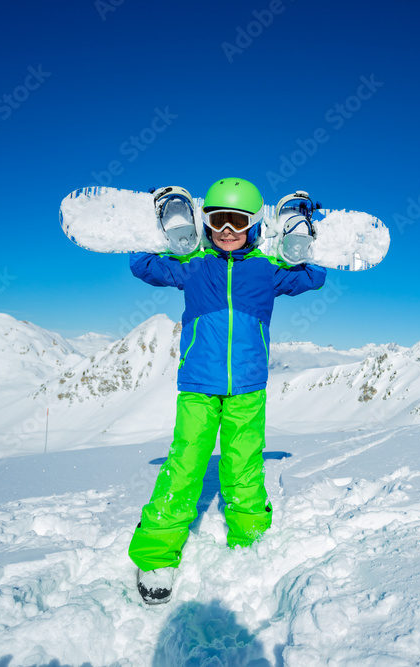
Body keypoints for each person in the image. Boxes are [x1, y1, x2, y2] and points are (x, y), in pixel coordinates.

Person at [127, 177, 326, 604]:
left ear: (254, 222)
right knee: (185, 464)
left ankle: (250, 537)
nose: (228, 229)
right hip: (198, 384)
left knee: (243, 465)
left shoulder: (267, 268)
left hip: (249, 388)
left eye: (238, 220)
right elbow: (142, 265)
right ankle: (157, 552)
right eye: (219, 220)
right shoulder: (194, 263)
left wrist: (300, 227)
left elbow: (313, 276)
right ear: (206, 222)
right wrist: (165, 228)